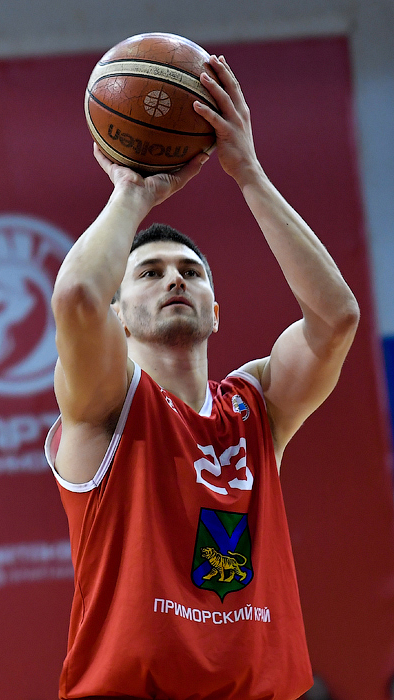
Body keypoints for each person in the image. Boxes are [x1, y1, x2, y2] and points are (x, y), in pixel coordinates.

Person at [45, 55, 359, 700]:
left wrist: (248, 172)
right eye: (149, 272)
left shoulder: (256, 408)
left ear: (216, 311)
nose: (174, 279)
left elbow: (336, 319)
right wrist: (133, 192)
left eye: (190, 271)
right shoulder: (108, 404)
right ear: (118, 316)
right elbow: (77, 295)